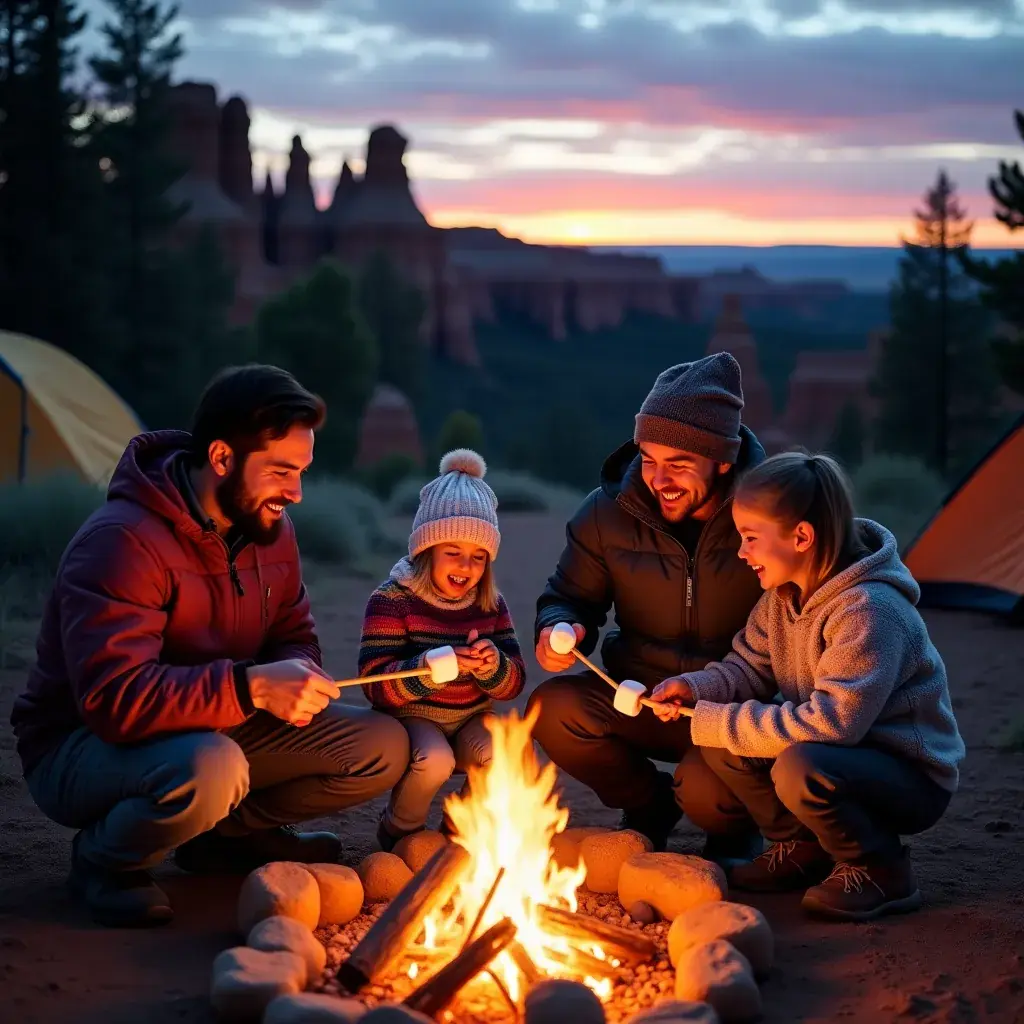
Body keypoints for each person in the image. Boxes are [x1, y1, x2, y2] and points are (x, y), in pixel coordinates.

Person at [9, 364, 410, 928]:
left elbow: (294, 630)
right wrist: (249, 687)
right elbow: (115, 701)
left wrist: (295, 671)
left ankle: (226, 839)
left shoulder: (271, 529)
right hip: (82, 745)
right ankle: (105, 862)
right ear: (222, 459)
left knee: (384, 744)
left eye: (303, 472)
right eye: (280, 472)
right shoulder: (121, 544)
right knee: (213, 767)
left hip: (217, 719)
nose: (295, 492)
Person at [651, 451, 965, 921]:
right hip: (838, 758)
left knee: (798, 765)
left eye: (751, 538)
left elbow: (833, 724)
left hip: (908, 777)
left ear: (801, 536)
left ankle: (881, 868)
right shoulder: (782, 597)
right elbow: (747, 670)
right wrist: (696, 690)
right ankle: (801, 848)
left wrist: (718, 719)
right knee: (724, 739)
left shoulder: (869, 611)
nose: (742, 552)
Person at [526, 352, 767, 856]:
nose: (659, 479)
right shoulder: (605, 513)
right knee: (555, 710)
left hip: (730, 708)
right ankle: (648, 805)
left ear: (723, 460)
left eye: (678, 465)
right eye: (650, 460)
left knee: (705, 790)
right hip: (635, 693)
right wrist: (558, 626)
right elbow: (570, 597)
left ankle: (733, 828)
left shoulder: (768, 516)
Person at [358, 450, 526, 850]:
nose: (466, 566)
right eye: (453, 551)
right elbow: (373, 684)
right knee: (435, 760)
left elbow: (514, 682)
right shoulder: (392, 601)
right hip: (415, 719)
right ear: (426, 549)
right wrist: (431, 668)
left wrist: (493, 667)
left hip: (470, 717)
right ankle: (401, 832)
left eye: (479, 557)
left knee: (507, 751)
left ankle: (457, 832)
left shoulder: (490, 605)